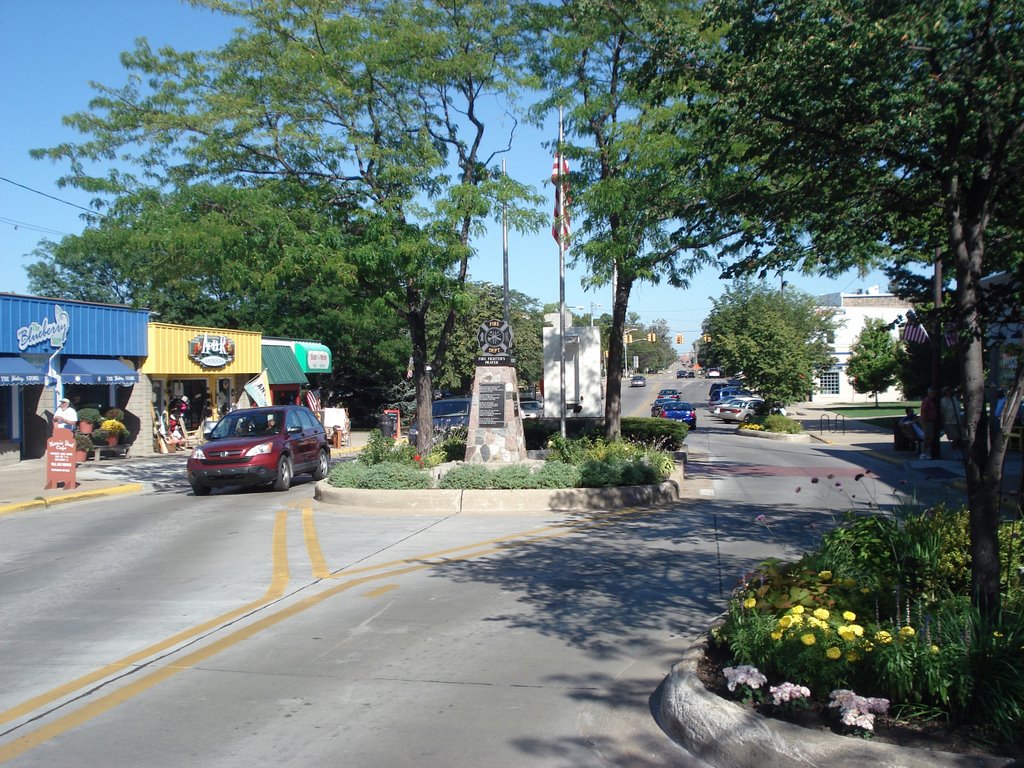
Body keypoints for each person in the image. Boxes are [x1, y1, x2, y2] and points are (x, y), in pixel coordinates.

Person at [940, 386, 964, 459]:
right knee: (955, 437)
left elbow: (958, 408)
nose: (949, 392)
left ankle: (959, 451)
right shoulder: (943, 400)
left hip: (958, 421)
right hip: (949, 422)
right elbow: (942, 411)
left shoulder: (955, 399)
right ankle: (954, 452)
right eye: (947, 391)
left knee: (961, 438)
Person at [919, 387, 939, 460]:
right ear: (929, 393)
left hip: (930, 421)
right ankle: (923, 453)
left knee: (930, 437)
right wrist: (924, 421)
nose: (934, 395)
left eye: (934, 393)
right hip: (927, 421)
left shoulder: (931, 401)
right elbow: (924, 411)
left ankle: (925, 452)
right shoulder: (927, 401)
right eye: (932, 393)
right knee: (928, 437)